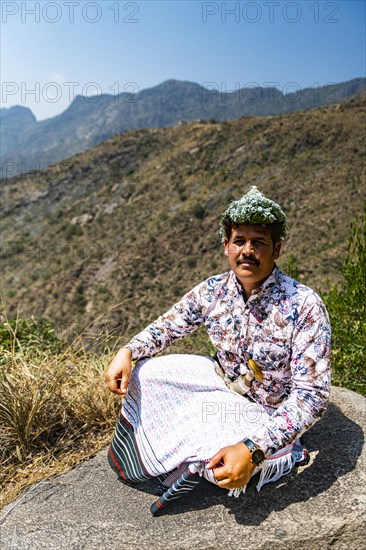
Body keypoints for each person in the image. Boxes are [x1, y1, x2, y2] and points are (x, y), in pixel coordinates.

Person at [105, 186, 331, 514]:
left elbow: (311, 397)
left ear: (276, 248)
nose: (247, 251)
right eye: (239, 241)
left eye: (259, 243)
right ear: (226, 246)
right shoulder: (212, 291)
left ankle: (219, 459)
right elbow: (168, 327)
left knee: (224, 462)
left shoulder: (304, 305)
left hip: (265, 414)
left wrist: (254, 449)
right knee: (147, 372)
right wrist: (127, 350)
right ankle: (191, 451)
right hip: (219, 385)